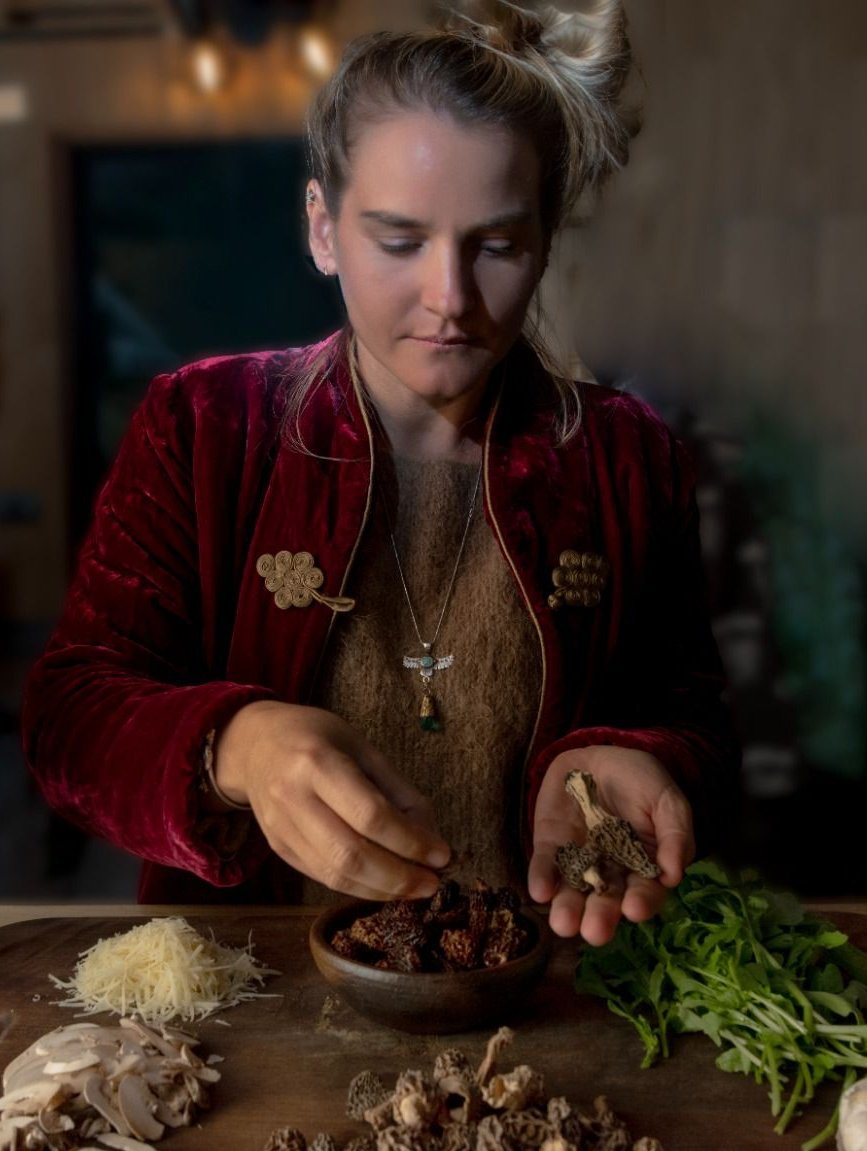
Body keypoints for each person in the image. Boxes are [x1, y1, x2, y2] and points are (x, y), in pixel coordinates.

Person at [21, 0, 739, 945]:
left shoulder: (624, 456)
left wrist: (638, 755)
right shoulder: (204, 427)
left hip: (548, 980)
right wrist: (234, 745)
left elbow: (691, 713)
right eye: (399, 240)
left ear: (544, 240)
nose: (449, 298)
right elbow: (69, 719)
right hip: (261, 982)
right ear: (322, 228)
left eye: (496, 245)